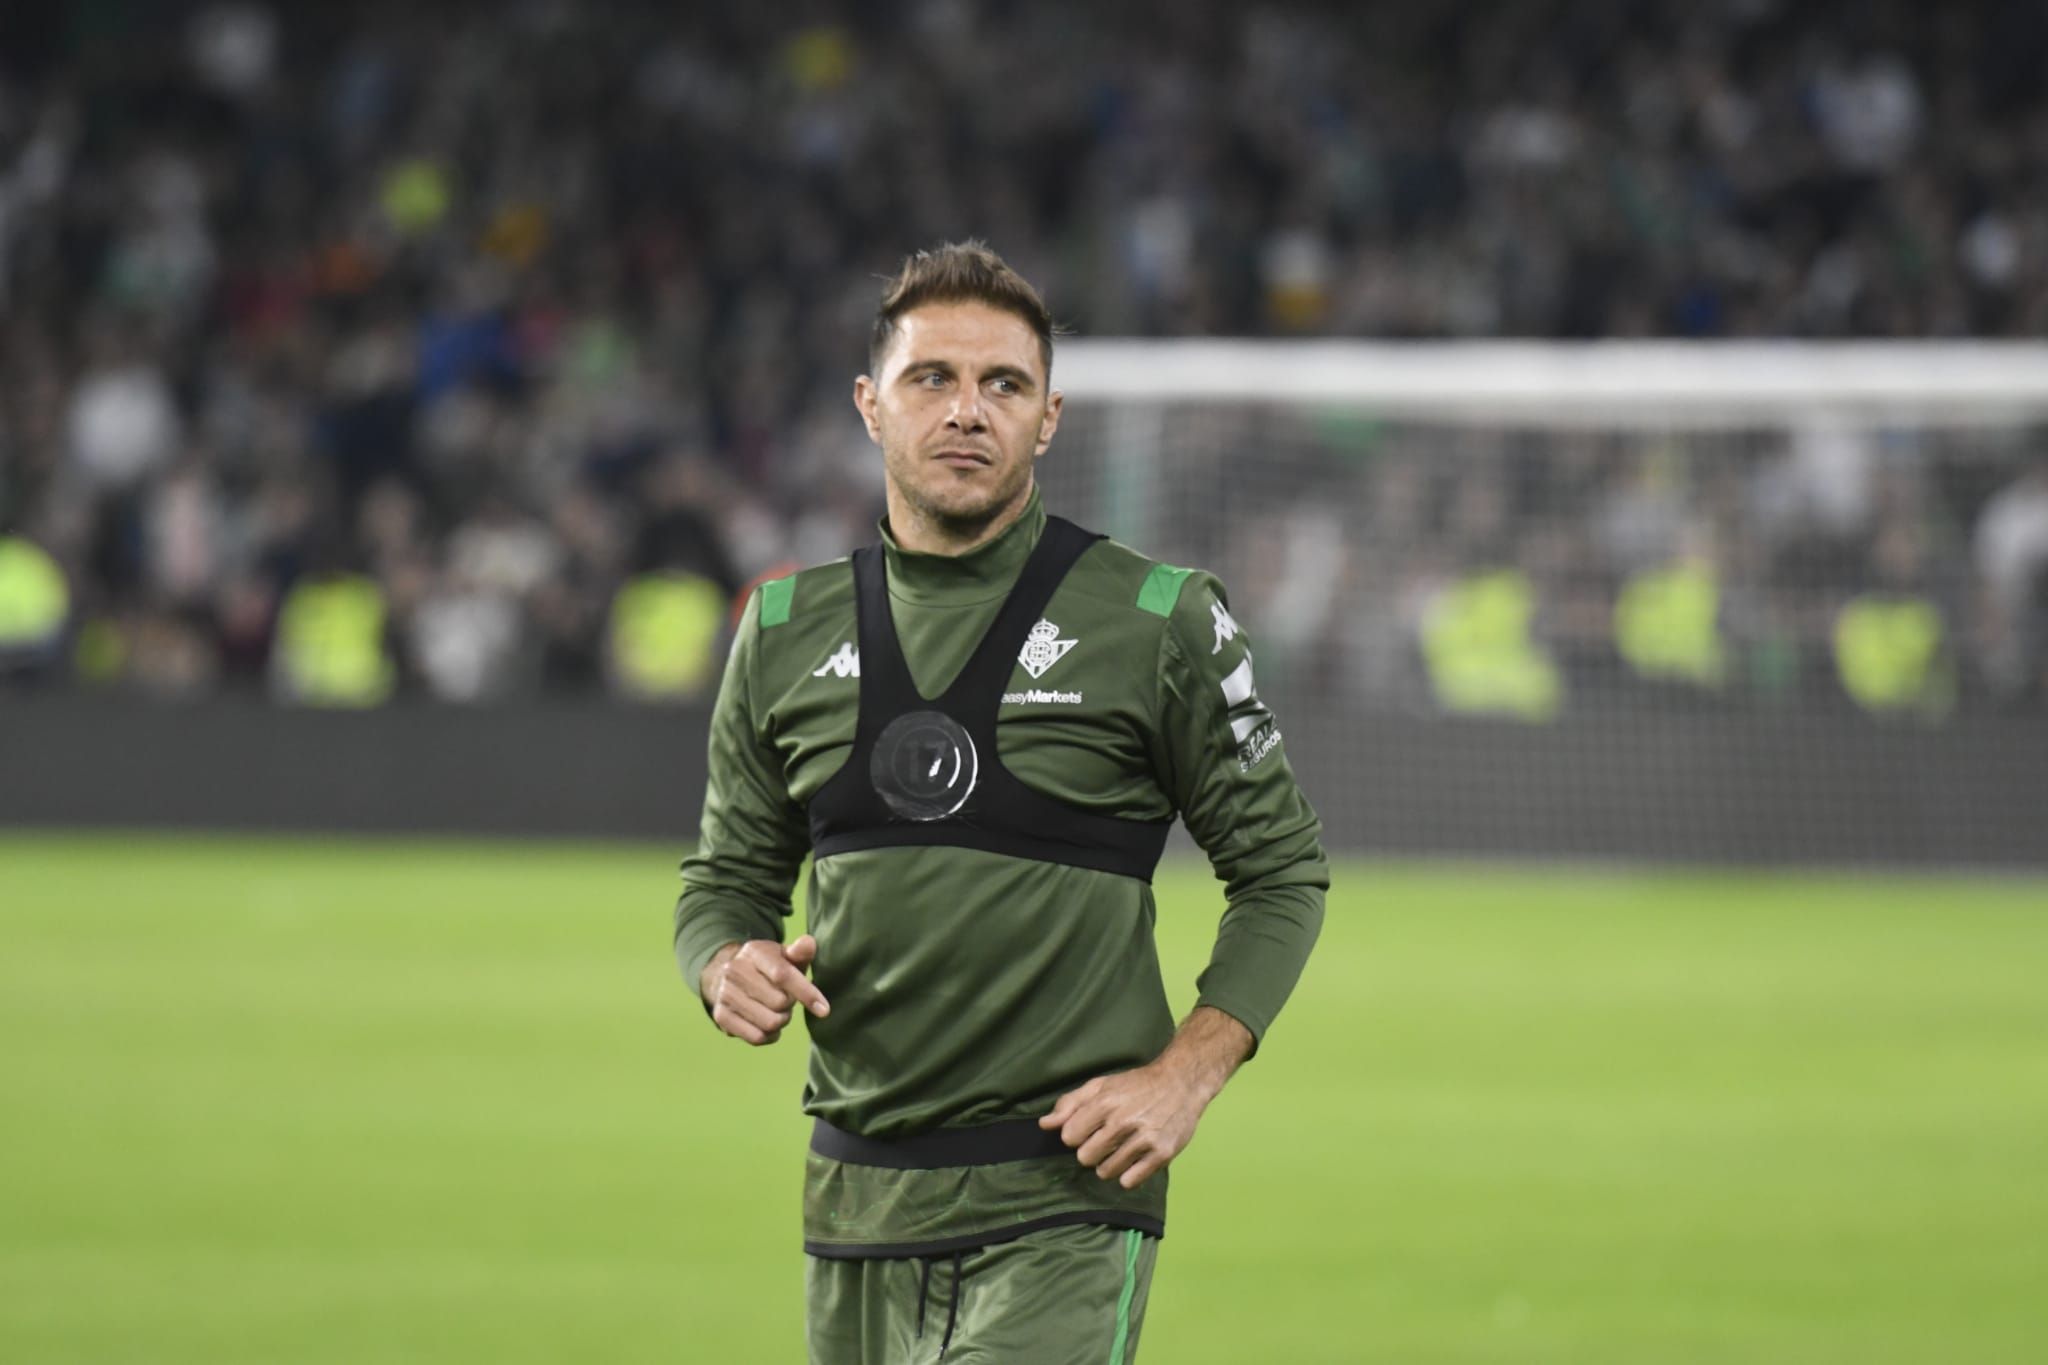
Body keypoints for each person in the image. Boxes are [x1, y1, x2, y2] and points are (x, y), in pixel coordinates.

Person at [673, 241, 1327, 1363]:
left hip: (1063, 1198)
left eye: (1004, 384)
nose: (967, 410)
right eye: (932, 378)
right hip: (855, 1202)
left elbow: (1281, 871)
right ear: (870, 405)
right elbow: (725, 881)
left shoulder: (1156, 618)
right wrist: (725, 960)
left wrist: (1185, 1074)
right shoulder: (778, 629)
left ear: (1049, 418)